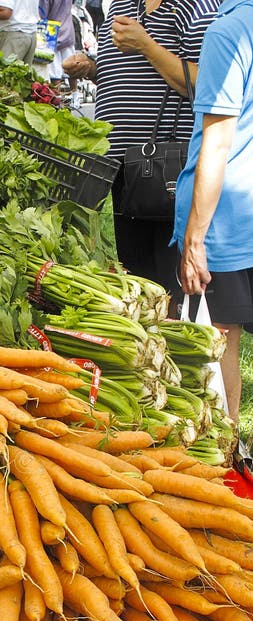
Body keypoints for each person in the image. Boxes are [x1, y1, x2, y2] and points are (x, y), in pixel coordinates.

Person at [62, 0, 220, 307]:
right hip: (123, 166)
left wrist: (146, 44)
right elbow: (122, 76)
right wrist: (91, 69)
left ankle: (183, 341)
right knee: (138, 276)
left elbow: (206, 82)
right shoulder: (120, 6)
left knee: (172, 278)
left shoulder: (196, 7)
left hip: (170, 168)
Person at [174, 0, 253, 423]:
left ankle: (223, 456)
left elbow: (218, 140)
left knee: (216, 343)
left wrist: (194, 238)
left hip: (227, 219)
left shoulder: (229, 31)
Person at [0, 0, 40, 66]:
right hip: (28, 33)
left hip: (13, 35)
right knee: (20, 74)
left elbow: (4, 12)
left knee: (3, 73)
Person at [42, 0, 76, 82]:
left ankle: (57, 94)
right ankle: (74, 93)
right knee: (73, 70)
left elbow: (42, 14)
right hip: (68, 31)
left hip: (52, 35)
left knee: (54, 74)